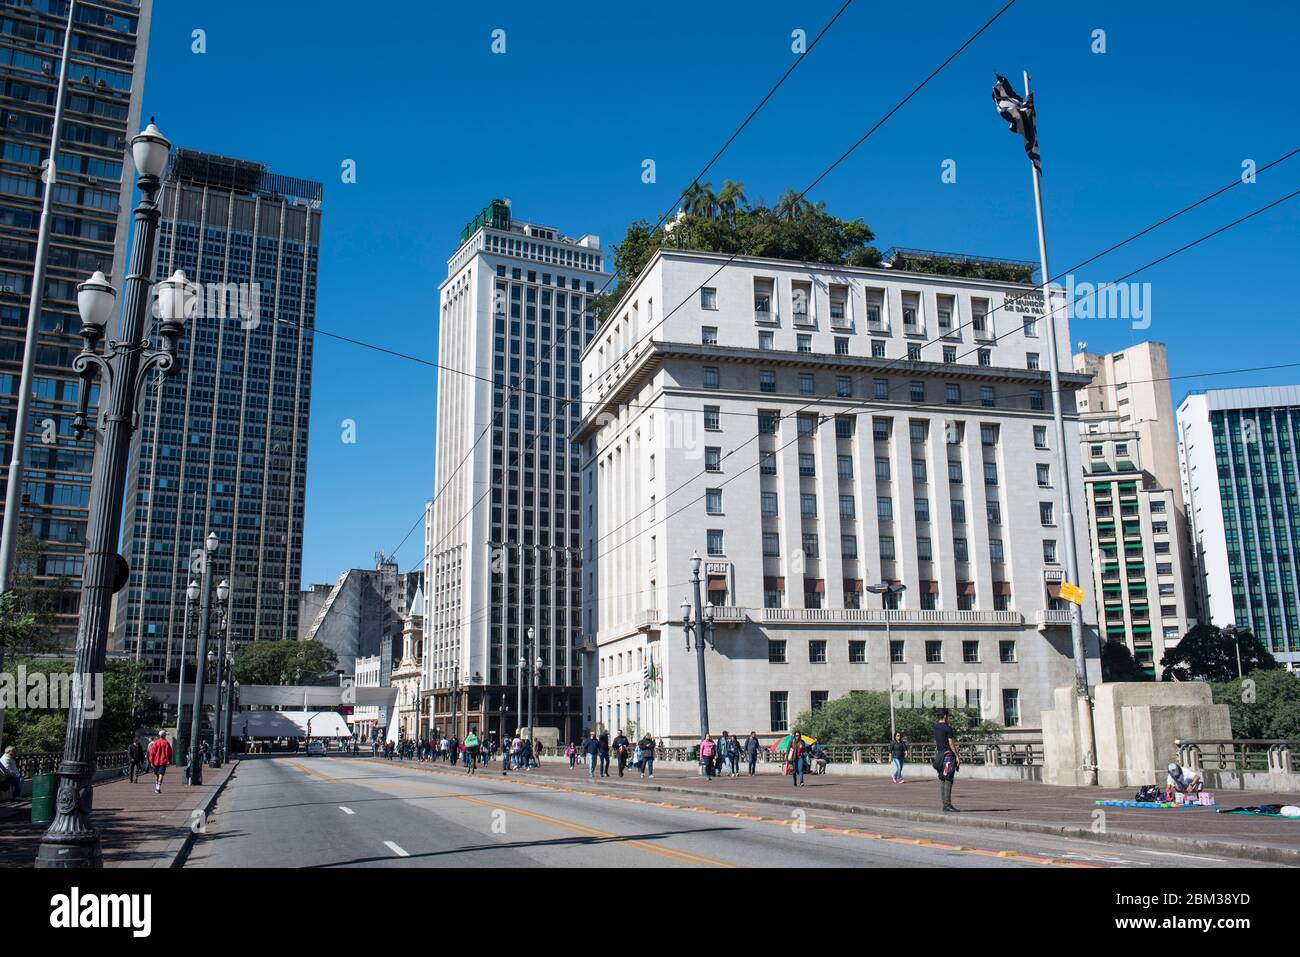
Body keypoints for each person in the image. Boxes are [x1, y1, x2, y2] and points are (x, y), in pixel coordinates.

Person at [933, 709, 960, 812]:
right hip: (948, 756)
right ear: (945, 716)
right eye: (948, 716)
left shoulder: (935, 727)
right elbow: (951, 743)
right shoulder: (948, 728)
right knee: (948, 779)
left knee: (942, 779)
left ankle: (945, 804)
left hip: (939, 755)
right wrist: (957, 756)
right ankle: (947, 805)